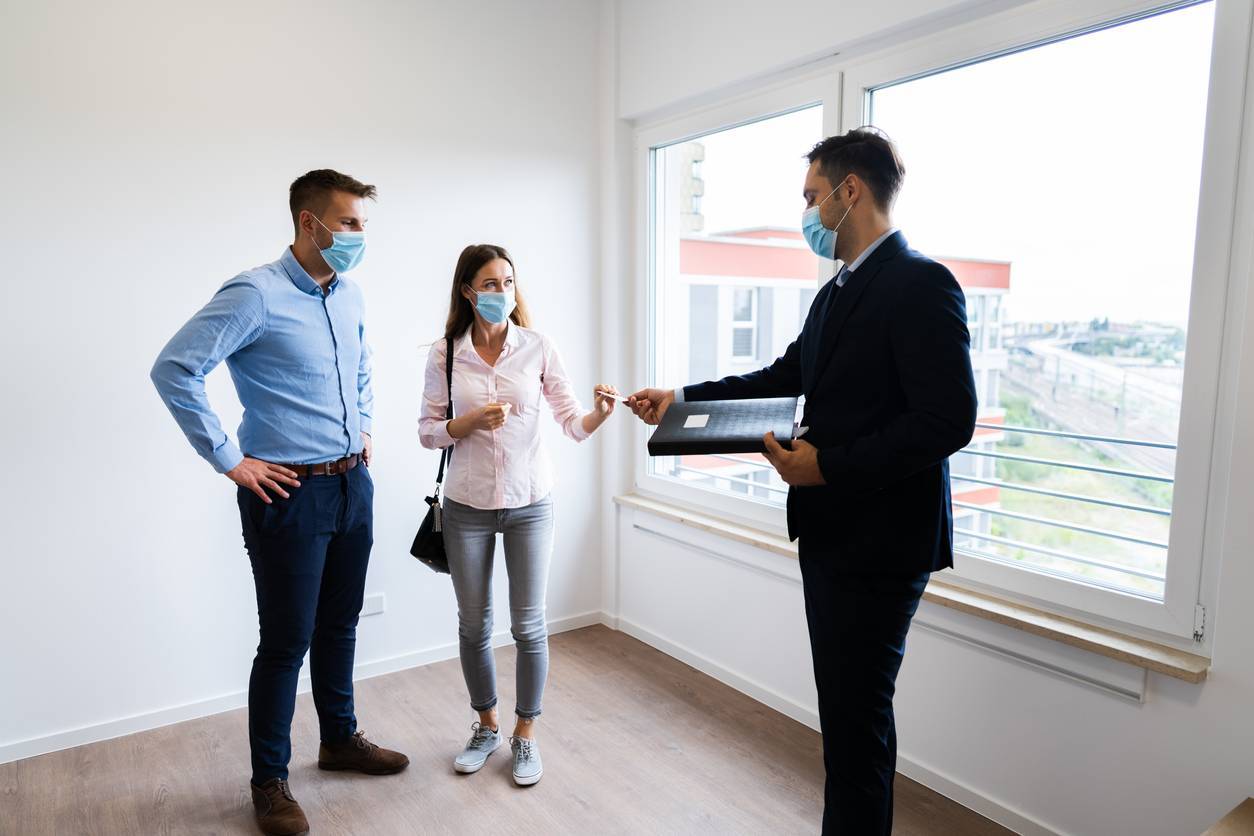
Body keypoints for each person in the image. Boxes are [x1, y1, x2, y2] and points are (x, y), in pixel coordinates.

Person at [628, 128, 977, 835]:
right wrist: (684, 399)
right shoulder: (836, 293)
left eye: (812, 196)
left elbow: (948, 420)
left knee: (856, 721)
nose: (808, 213)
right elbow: (782, 378)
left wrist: (831, 466)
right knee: (853, 719)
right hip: (831, 534)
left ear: (852, 192)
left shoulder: (920, 283)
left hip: (881, 545)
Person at [151, 170, 408, 836]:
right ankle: (270, 780)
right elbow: (175, 368)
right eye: (349, 223)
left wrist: (366, 429)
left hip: (353, 484)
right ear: (308, 223)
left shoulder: (348, 295)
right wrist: (229, 459)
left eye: (362, 225)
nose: (358, 236)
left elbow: (360, 366)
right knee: (286, 642)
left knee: (341, 624)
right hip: (288, 493)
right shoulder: (254, 295)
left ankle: (339, 739)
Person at [419, 244, 618, 787]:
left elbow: (571, 425)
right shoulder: (445, 354)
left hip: (531, 503)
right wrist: (470, 423)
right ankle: (485, 726)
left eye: (507, 282)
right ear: (467, 291)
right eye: (488, 284)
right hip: (467, 506)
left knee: (529, 625)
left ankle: (525, 735)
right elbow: (427, 431)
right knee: (473, 624)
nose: (500, 292)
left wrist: (598, 414)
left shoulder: (538, 347)